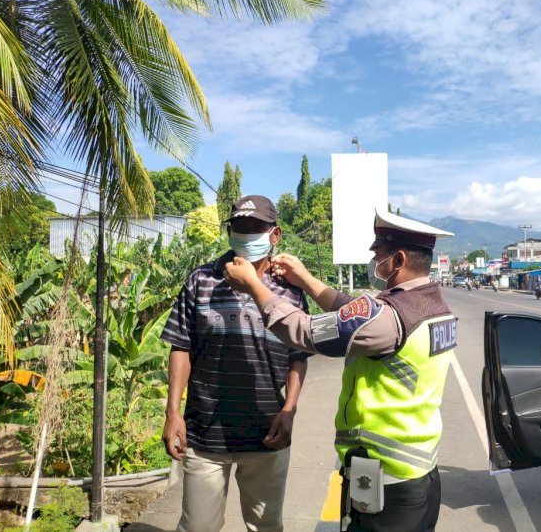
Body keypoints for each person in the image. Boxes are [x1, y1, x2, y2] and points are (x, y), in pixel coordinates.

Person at [223, 209, 456, 532]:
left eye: (379, 253)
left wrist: (254, 287)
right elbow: (354, 315)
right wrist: (305, 279)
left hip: (386, 481)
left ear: (399, 260)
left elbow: (304, 331)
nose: (374, 259)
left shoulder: (393, 318)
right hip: (419, 472)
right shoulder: (433, 307)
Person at [161, 194, 310, 532]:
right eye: (239, 227)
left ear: (275, 235)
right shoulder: (201, 280)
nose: (245, 235)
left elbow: (298, 356)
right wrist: (173, 413)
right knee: (197, 527)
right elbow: (181, 346)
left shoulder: (290, 290)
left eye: (255, 228)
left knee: (267, 526)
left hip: (267, 433)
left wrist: (289, 411)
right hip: (205, 435)